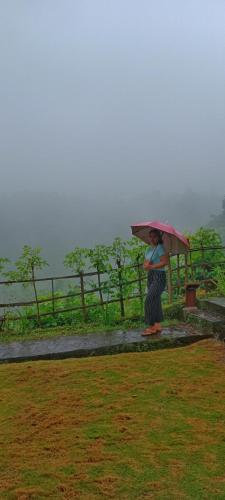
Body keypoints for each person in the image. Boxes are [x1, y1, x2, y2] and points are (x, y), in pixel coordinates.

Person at [142, 229, 168, 335]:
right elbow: (145, 264)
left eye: (155, 236)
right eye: (150, 236)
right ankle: (157, 326)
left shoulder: (160, 248)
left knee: (149, 300)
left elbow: (164, 262)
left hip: (159, 276)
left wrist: (152, 266)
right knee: (156, 300)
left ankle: (152, 326)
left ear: (159, 237)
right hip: (151, 276)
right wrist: (146, 266)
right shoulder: (148, 249)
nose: (152, 239)